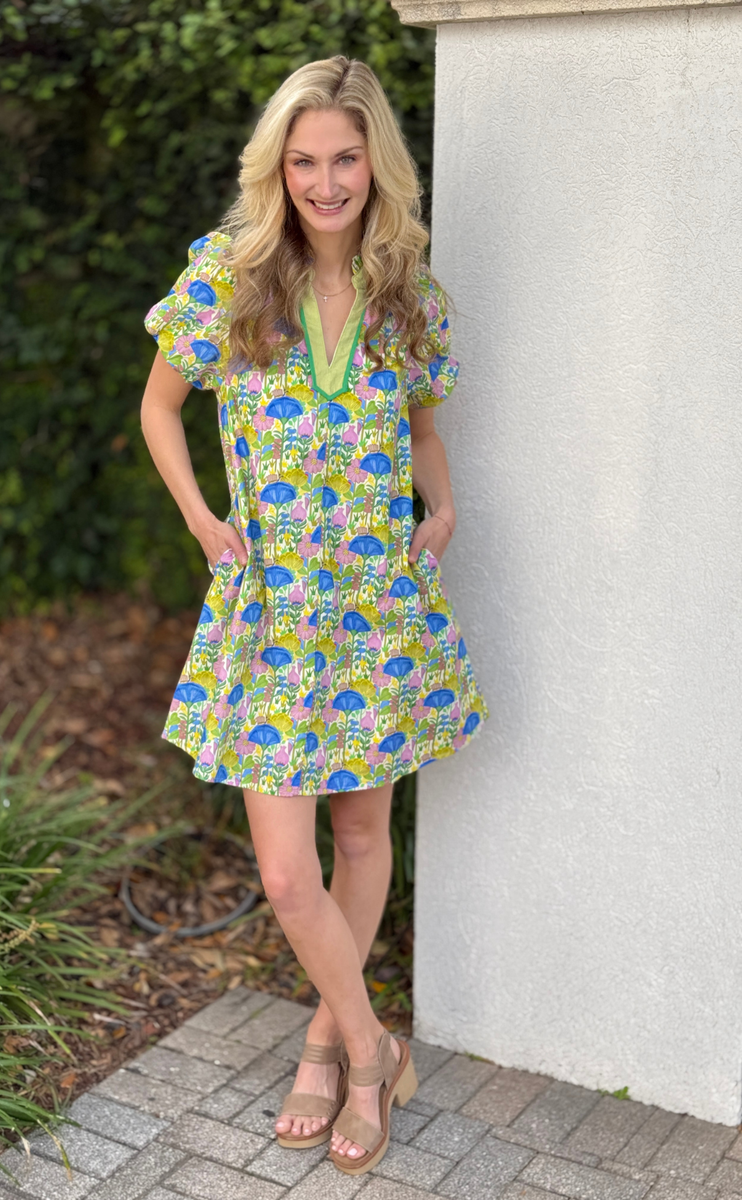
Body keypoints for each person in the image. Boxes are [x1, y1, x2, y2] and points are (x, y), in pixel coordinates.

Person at [140, 54, 489, 1176]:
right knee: (287, 873)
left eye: (344, 159)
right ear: (275, 168)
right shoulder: (227, 277)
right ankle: (376, 1044)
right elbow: (157, 407)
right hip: (272, 605)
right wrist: (202, 519)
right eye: (303, 162)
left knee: (358, 832)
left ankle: (323, 1038)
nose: (324, 182)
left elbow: (424, 432)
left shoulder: (406, 297)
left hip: (375, 603)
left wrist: (441, 509)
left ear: (374, 165)